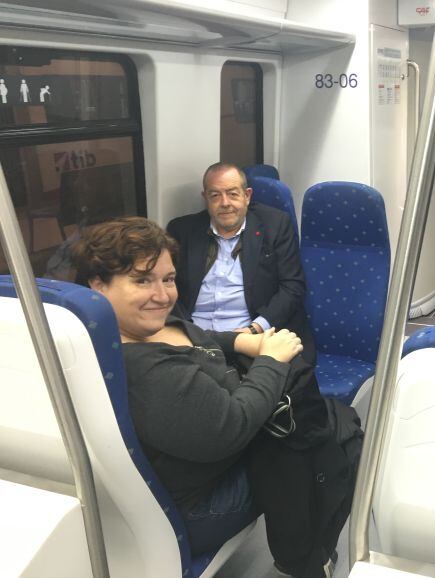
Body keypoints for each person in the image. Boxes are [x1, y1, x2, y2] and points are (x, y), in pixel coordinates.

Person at [71, 217, 361, 578]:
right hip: (203, 502)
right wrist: (271, 360)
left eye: (168, 279)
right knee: (335, 435)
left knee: (319, 420)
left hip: (206, 451)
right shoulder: (148, 370)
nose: (162, 295)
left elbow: (195, 337)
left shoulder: (139, 326)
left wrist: (241, 341)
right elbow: (233, 426)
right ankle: (305, 559)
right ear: (98, 285)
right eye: (142, 280)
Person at [167, 162, 315, 364]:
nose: (225, 203)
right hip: (193, 339)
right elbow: (165, 287)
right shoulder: (182, 231)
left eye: (232, 194)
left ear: (247, 195)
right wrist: (183, 330)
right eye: (215, 195)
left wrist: (254, 329)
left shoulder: (275, 224)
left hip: (252, 337)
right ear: (205, 198)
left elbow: (292, 287)